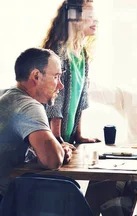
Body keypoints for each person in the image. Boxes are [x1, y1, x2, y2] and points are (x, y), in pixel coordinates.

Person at [0, 47, 71, 201]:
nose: (60, 85)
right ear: (36, 76)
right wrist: (60, 150)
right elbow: (52, 160)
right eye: (56, 77)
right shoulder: (28, 106)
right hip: (4, 203)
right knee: (67, 190)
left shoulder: (5, 95)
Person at [42, 0, 99, 146]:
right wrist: (57, 139)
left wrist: (78, 136)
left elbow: (81, 96)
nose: (96, 20)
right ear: (74, 18)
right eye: (90, 15)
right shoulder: (58, 52)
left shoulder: (82, 54)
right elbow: (54, 98)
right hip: (49, 140)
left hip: (67, 139)